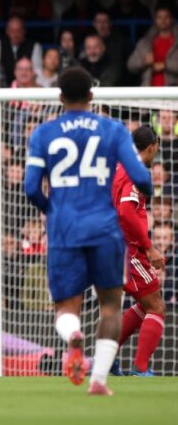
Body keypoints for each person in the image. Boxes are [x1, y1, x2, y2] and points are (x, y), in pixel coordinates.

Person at [24, 67, 153, 395]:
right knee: (111, 306)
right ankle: (98, 381)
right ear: (92, 96)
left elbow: (30, 188)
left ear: (60, 97)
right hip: (106, 230)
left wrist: (52, 210)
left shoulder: (43, 134)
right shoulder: (113, 130)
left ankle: (73, 337)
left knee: (67, 308)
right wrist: (147, 191)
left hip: (64, 229)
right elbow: (141, 176)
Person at [111, 125, 165, 376]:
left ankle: (107, 357)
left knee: (144, 304)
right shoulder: (135, 171)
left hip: (113, 246)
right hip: (128, 249)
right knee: (156, 306)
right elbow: (125, 211)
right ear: (152, 146)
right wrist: (148, 247)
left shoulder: (119, 165)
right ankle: (140, 369)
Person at [127, 6, 178, 87]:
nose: (163, 20)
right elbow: (130, 65)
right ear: (155, 20)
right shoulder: (145, 42)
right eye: (159, 17)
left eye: (166, 17)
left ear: (172, 19)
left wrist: (165, 65)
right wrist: (144, 62)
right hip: (148, 91)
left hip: (173, 92)